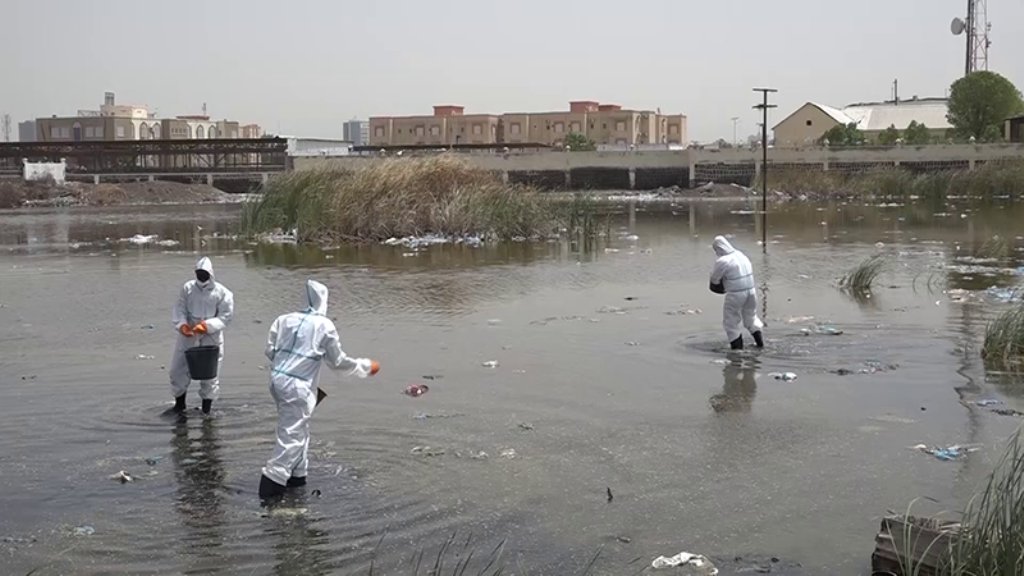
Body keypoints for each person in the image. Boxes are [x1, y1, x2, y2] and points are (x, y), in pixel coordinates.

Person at [259, 280, 380, 502]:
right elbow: (338, 362)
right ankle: (269, 494)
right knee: (291, 437)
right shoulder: (324, 325)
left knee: (299, 431)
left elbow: (270, 351)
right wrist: (365, 367)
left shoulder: (282, 320)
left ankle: (297, 481)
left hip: (277, 381)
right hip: (298, 387)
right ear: (324, 300)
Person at [170, 257, 234, 414]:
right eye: (199, 273)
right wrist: (182, 325)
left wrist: (206, 326)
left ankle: (206, 410)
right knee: (177, 370)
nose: (201, 277)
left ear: (211, 274)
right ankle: (179, 405)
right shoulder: (188, 288)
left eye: (204, 274)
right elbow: (180, 308)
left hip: (210, 339)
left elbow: (225, 317)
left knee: (210, 376)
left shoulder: (223, 293)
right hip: (188, 336)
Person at [709, 236, 764, 350]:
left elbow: (714, 281)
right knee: (751, 318)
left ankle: (737, 353)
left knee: (731, 323)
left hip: (736, 294)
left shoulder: (722, 261)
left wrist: (720, 288)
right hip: (751, 292)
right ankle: (760, 345)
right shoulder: (741, 255)